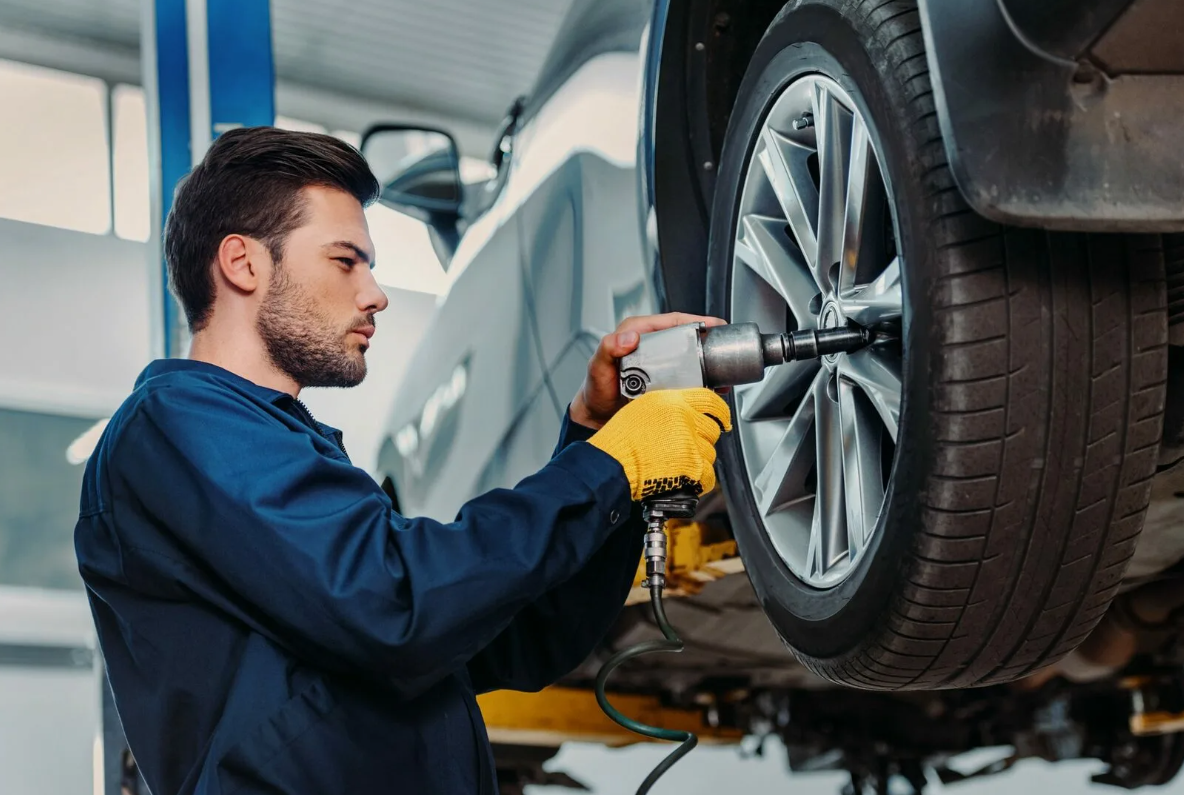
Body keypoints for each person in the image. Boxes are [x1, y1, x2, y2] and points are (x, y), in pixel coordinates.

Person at [75, 126, 732, 795]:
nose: (375, 293)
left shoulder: (286, 458)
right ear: (243, 263)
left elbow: (526, 634)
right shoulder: (177, 426)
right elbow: (396, 604)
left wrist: (595, 436)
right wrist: (608, 468)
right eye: (345, 260)